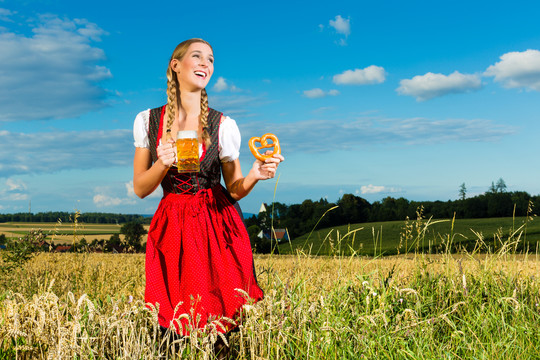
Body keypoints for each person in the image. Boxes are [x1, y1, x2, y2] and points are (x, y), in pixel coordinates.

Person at [132, 38, 284, 341]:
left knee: (220, 319)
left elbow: (236, 190)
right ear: (175, 65)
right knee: (172, 321)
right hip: (172, 225)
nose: (206, 64)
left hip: (217, 225)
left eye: (211, 60)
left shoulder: (223, 125)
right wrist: (162, 163)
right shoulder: (147, 121)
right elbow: (140, 188)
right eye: (197, 56)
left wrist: (255, 174)